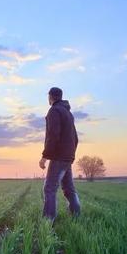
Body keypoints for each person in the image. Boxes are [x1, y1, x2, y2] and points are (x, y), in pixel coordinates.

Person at [39, 87, 81, 221]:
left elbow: (53, 136)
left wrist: (44, 157)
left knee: (49, 188)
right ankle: (76, 215)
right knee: (68, 188)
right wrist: (71, 155)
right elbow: (75, 137)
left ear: (50, 97)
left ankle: (48, 220)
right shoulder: (68, 113)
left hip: (59, 157)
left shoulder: (54, 111)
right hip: (67, 157)